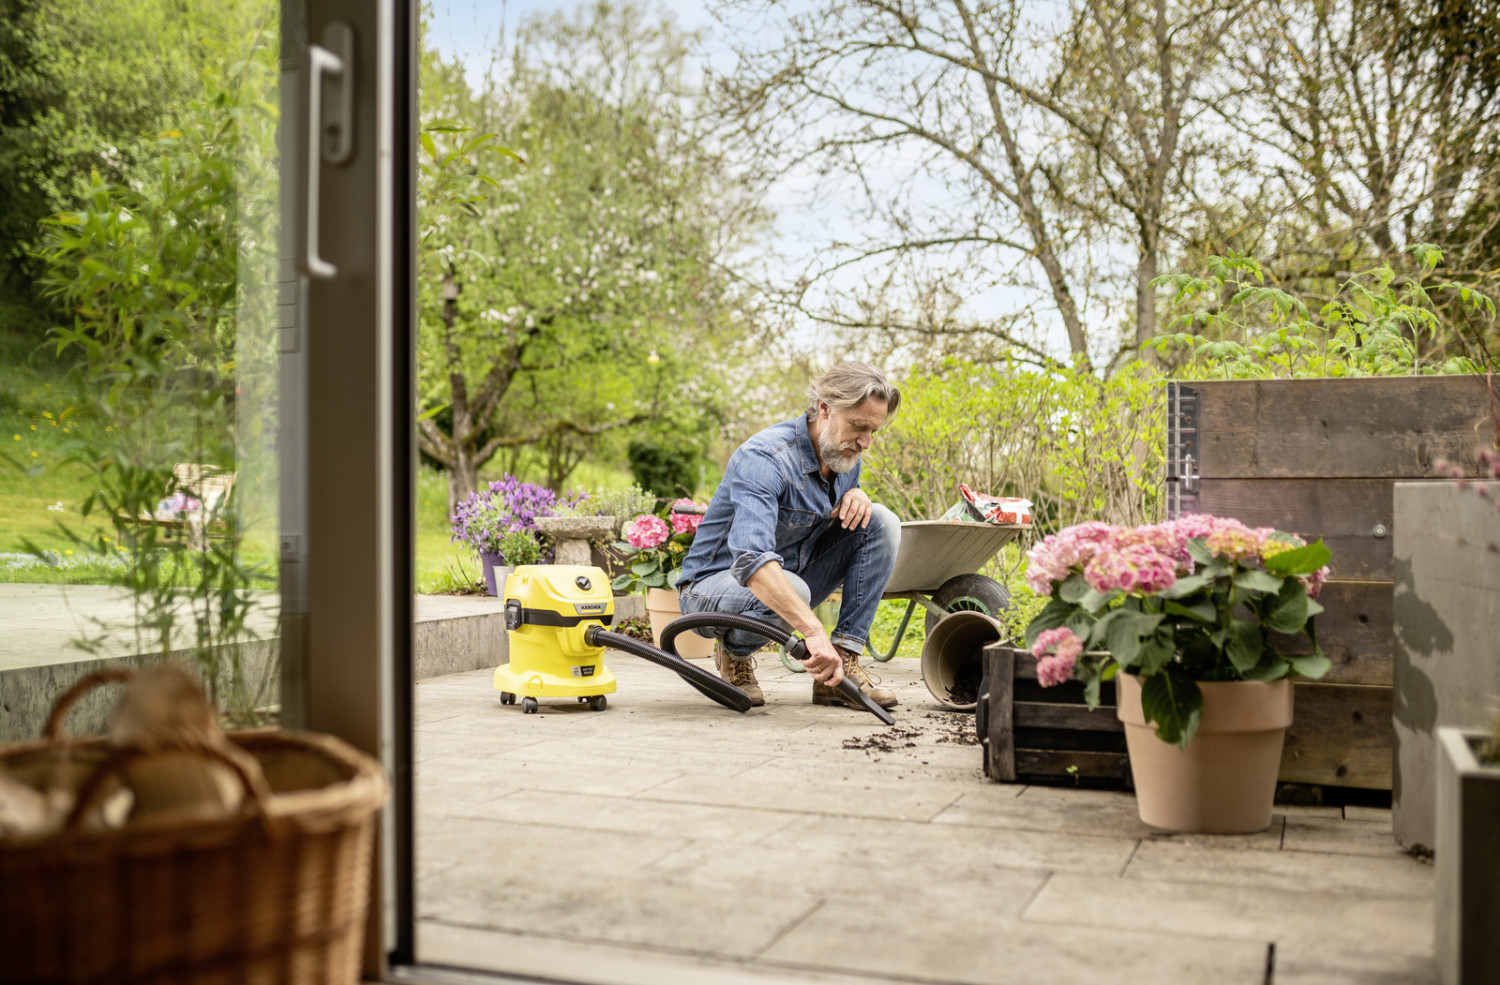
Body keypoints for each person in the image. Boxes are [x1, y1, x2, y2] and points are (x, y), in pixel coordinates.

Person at [677, 361, 902, 710]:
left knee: (880, 521)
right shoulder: (765, 458)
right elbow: (752, 562)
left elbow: (845, 510)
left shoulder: (844, 453)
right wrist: (813, 631)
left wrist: (856, 495)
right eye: (858, 426)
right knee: (790, 586)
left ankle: (840, 668)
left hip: (789, 572)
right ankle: (734, 652)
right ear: (825, 408)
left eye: (873, 430)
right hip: (711, 587)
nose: (866, 442)